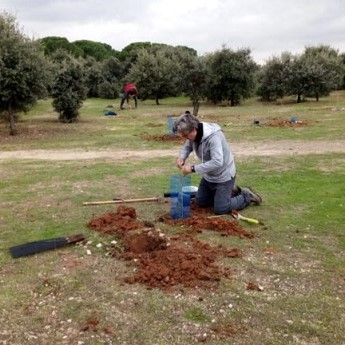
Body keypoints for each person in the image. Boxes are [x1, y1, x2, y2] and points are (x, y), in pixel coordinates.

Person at [173, 111, 262, 215]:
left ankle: (246, 196)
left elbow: (217, 162)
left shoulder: (213, 137)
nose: (185, 138)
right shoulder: (194, 134)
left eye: (185, 136)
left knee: (221, 209)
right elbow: (187, 146)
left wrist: (192, 169)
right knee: (200, 202)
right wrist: (182, 158)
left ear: (193, 130)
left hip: (224, 176)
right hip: (209, 176)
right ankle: (229, 193)